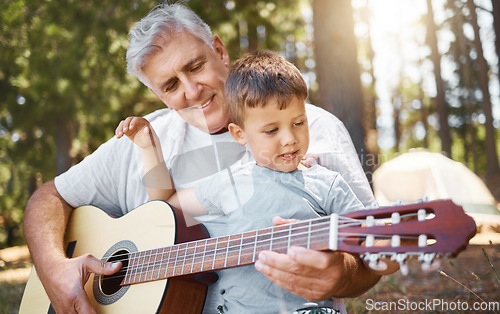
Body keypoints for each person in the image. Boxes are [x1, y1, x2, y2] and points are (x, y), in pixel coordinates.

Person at [23, 2, 380, 313]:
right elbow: (49, 197)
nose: (191, 91)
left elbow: (372, 255)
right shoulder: (136, 142)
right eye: (171, 85)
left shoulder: (311, 128)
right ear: (156, 94)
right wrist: (53, 268)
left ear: (219, 51)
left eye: (195, 67)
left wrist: (343, 273)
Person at [115, 49, 371, 313]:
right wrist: (149, 147)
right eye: (271, 130)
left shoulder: (326, 184)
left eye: (299, 123)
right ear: (239, 134)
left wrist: (380, 258)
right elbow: (166, 208)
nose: (289, 139)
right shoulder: (230, 183)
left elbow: (373, 244)